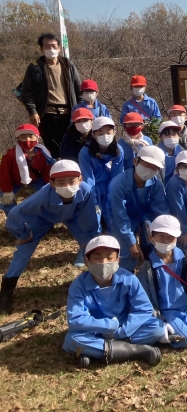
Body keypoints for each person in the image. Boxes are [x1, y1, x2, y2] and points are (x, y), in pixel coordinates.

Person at [0, 160, 102, 314]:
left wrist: (87, 240)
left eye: (72, 181)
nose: (67, 186)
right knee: (23, 252)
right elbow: (15, 215)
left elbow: (89, 220)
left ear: (80, 180)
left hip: (74, 217)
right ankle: (6, 291)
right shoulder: (42, 196)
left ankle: (99, 281)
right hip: (43, 218)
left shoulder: (86, 191)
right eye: (61, 182)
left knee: (93, 247)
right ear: (52, 183)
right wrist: (23, 234)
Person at [62, 235, 165, 367]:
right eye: (97, 258)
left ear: (118, 260)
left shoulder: (129, 279)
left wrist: (123, 331)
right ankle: (135, 351)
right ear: (86, 261)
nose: (103, 263)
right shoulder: (78, 285)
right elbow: (75, 320)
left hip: (124, 328)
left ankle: (98, 351)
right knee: (73, 339)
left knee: (157, 328)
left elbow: (144, 309)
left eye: (109, 257)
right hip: (95, 331)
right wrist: (108, 325)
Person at [137, 215, 187, 349]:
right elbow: (145, 300)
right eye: (161, 236)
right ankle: (160, 333)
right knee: (186, 340)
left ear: (177, 238)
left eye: (170, 237)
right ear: (151, 237)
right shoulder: (147, 267)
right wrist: (158, 319)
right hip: (166, 312)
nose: (166, 241)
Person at [108, 146, 170, 271]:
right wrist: (131, 242)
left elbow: (161, 211)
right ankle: (126, 275)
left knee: (154, 244)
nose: (150, 170)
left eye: (155, 168)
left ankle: (151, 268)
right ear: (135, 161)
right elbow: (120, 216)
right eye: (147, 165)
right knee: (128, 254)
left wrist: (162, 232)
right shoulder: (118, 185)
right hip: (119, 219)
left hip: (144, 217)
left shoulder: (155, 183)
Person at [20, 33, 81, 157]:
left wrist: (81, 110)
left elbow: (78, 88)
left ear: (59, 47)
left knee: (72, 147)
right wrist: (32, 111)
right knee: (52, 150)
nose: (51, 49)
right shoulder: (35, 68)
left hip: (69, 114)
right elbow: (27, 92)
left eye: (54, 46)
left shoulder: (68, 65)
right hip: (47, 115)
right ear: (41, 49)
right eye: (47, 46)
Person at [0, 123, 54, 215]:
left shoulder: (45, 153)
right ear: (18, 139)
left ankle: (44, 218)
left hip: (35, 181)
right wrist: (7, 190)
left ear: (37, 138)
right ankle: (13, 219)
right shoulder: (10, 155)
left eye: (30, 136)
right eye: (23, 137)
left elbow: (47, 171)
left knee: (46, 196)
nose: (27, 140)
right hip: (14, 182)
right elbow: (4, 173)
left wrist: (49, 187)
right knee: (6, 200)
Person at [79, 117, 124, 222]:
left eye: (108, 132)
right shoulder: (85, 152)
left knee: (113, 217)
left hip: (110, 185)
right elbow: (88, 178)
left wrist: (115, 196)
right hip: (94, 187)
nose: (105, 136)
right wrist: (93, 201)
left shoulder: (118, 150)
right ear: (93, 135)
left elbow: (117, 176)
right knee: (94, 219)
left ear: (114, 133)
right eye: (100, 133)